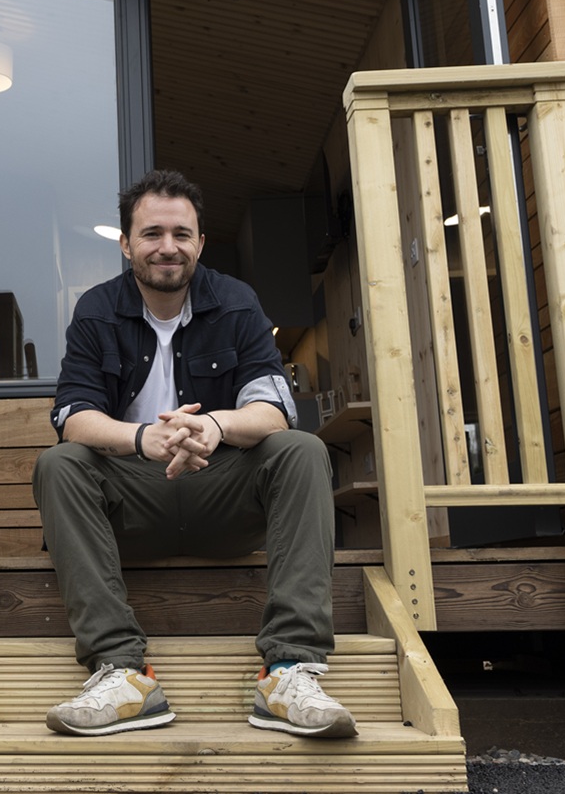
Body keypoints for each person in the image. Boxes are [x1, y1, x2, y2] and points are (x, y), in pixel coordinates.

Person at [33, 169, 354, 739]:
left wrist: (214, 425)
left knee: (301, 451)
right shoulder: (96, 310)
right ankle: (122, 674)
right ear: (127, 243)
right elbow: (72, 417)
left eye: (182, 234)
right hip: (133, 503)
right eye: (151, 233)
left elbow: (276, 408)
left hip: (222, 496)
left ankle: (288, 672)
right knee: (59, 464)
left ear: (200, 243)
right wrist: (141, 439)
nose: (167, 247)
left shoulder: (236, 302)